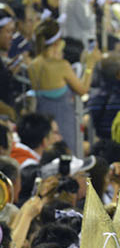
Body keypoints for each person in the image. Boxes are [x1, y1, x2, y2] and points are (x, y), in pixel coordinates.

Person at [28, 21, 98, 154]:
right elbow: (82, 90)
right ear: (57, 42)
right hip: (64, 123)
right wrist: (90, 64)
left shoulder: (33, 65)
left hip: (44, 124)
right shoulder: (62, 66)